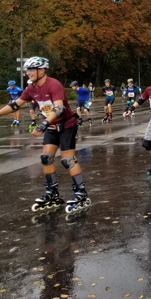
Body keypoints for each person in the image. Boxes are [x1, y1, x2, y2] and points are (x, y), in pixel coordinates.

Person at [0, 57, 90, 213]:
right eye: (27, 70)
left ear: (41, 70)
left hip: (67, 125)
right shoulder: (31, 88)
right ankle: (52, 192)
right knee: (46, 158)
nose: (28, 73)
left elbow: (59, 109)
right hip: (51, 126)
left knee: (67, 160)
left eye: (31, 70)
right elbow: (15, 104)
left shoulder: (54, 85)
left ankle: (80, 192)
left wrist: (43, 124)